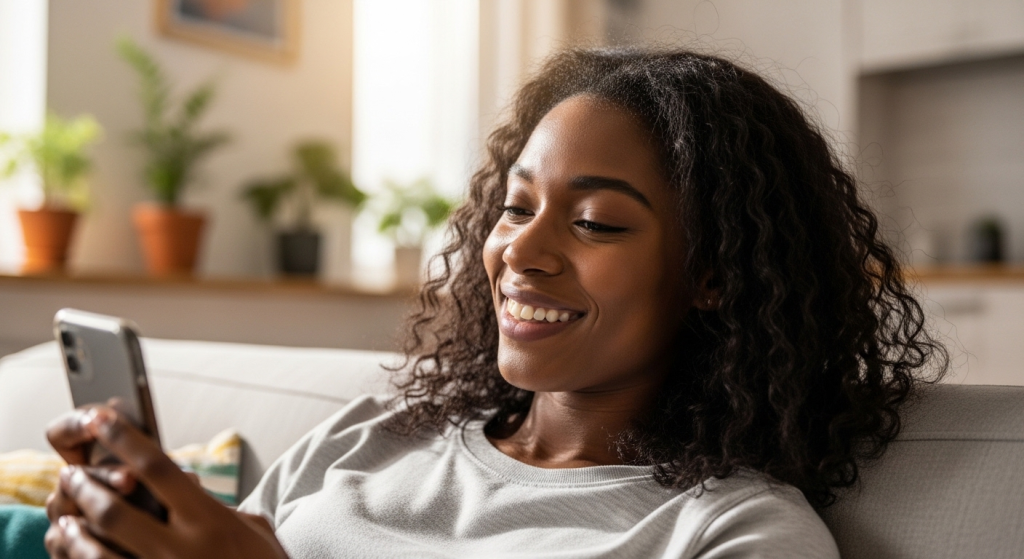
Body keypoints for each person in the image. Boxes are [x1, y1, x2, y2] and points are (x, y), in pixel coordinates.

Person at [41, 47, 945, 558]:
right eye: (515, 207)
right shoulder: (371, 436)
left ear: (714, 272)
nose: (521, 250)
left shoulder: (731, 531)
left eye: (593, 223)